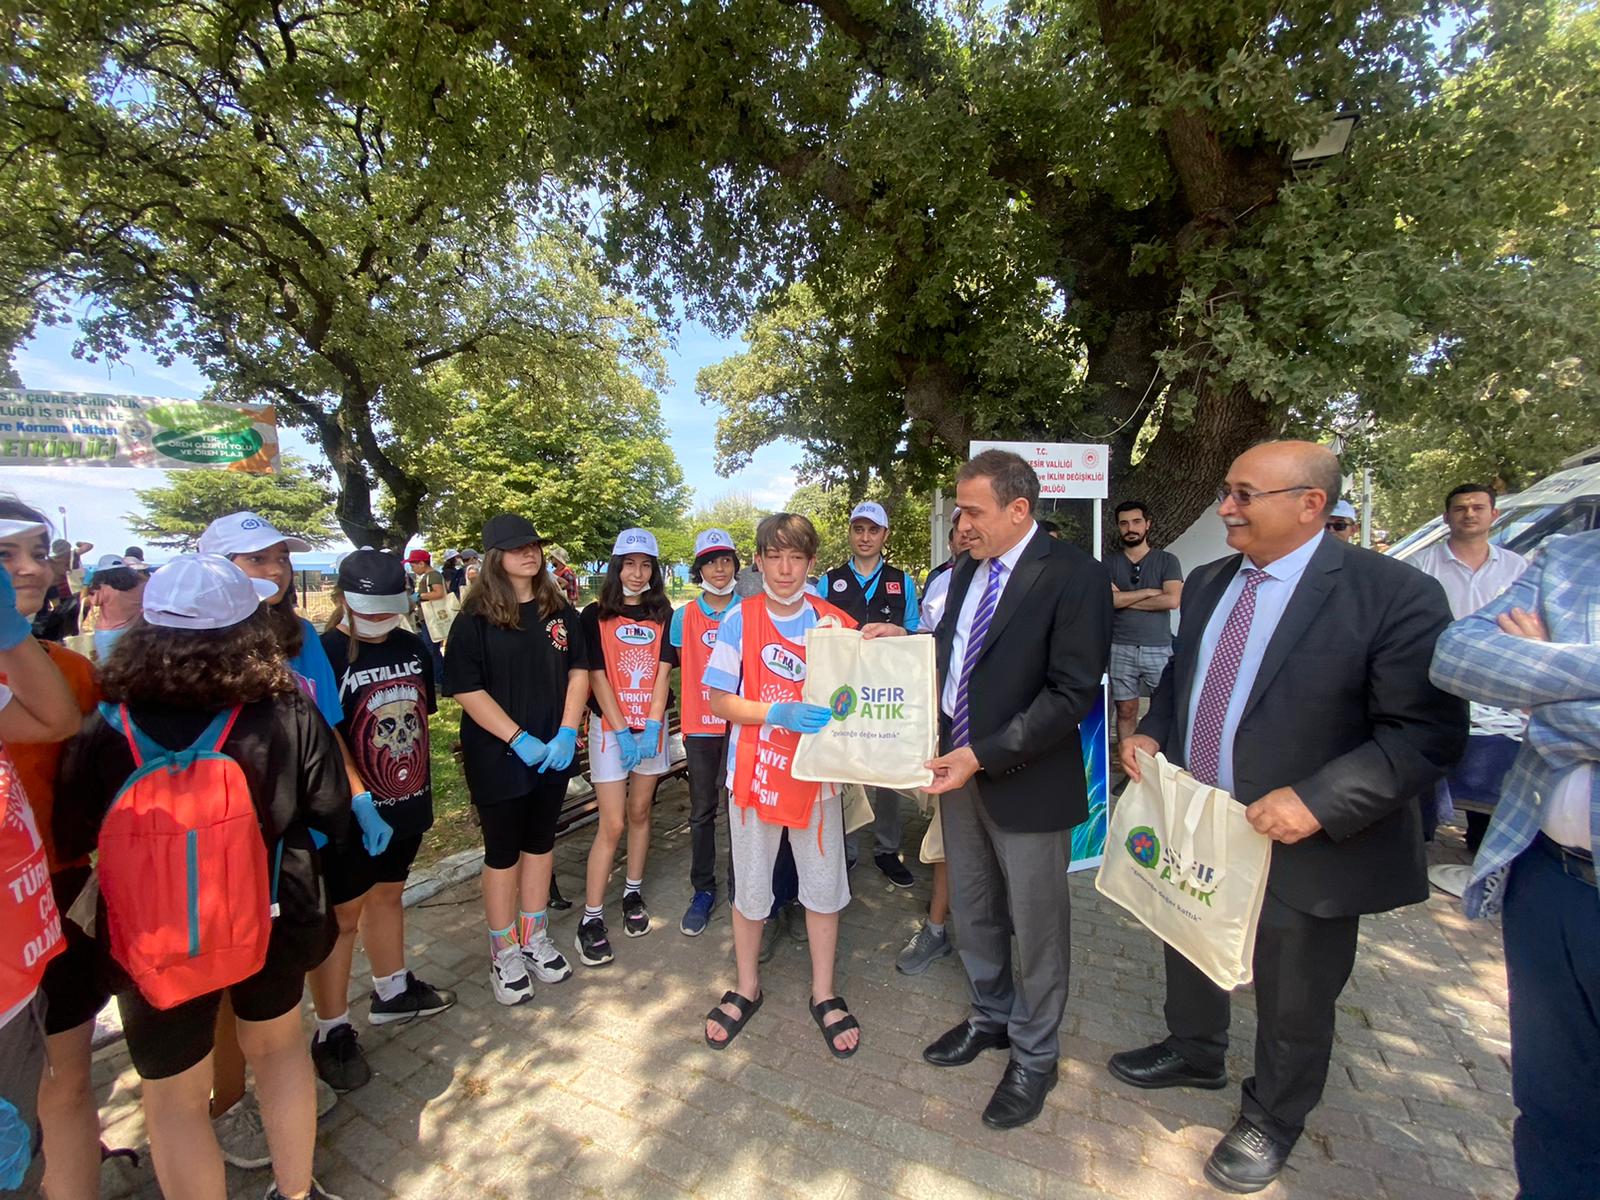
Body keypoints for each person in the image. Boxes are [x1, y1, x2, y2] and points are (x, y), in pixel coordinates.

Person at [1109, 440, 1467, 1193]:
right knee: (1188, 928)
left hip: (1305, 841)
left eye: (1244, 495)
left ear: (1311, 504)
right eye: (1226, 492)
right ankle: (1195, 1047)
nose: (1226, 508)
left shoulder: (1392, 594)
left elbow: (1424, 733)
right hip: (1201, 821)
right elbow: (1185, 677)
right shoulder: (1208, 582)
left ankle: (1273, 1113)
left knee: (1295, 985)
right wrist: (1152, 731)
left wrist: (1319, 801)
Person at [56, 554, 352, 1200]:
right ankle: (297, 1191)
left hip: (148, 935)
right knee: (278, 1052)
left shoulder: (107, 719)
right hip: (270, 913)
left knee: (174, 1100)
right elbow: (331, 809)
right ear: (248, 625)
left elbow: (72, 833)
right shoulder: (283, 708)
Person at [899, 449, 1110, 1131]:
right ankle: (990, 1014)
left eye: (973, 510)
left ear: (1020, 509)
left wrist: (981, 756)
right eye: (959, 509)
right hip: (956, 776)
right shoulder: (966, 570)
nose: (961, 523)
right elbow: (949, 656)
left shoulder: (1076, 576)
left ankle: (1036, 1053)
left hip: (1023, 780)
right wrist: (892, 647)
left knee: (1039, 923)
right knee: (976, 903)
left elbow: (1071, 694)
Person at [1429, 529, 1600, 1199]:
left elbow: (1512, 681)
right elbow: (1460, 657)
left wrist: (1542, 675)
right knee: (1555, 1109)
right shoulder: (1572, 557)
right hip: (1547, 882)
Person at [701, 513, 863, 1058]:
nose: (786, 568)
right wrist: (777, 712)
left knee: (821, 886)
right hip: (752, 778)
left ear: (812, 562)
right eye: (775, 556)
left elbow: (864, 695)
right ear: (759, 561)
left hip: (816, 780)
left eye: (797, 557)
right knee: (750, 887)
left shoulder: (834, 621)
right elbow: (719, 700)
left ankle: (824, 992)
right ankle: (747, 986)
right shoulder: (738, 620)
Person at [307, 551, 455, 1091]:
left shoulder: (412, 646)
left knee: (389, 894)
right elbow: (322, 736)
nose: (377, 621)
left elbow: (418, 718)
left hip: (406, 797)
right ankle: (331, 1027)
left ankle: (391, 990)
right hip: (352, 811)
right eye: (367, 611)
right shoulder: (322, 654)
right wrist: (358, 796)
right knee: (343, 918)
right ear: (343, 597)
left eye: (386, 611)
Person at [443, 515, 588, 1005]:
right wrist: (517, 736)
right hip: (499, 753)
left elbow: (579, 671)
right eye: (516, 547)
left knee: (541, 844)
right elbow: (465, 688)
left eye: (534, 544)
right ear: (494, 557)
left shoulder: (558, 610)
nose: (529, 553)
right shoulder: (474, 619)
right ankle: (503, 951)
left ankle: (534, 938)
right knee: (503, 852)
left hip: (553, 750)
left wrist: (568, 729)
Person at [0, 506, 101, 1200]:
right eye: (7, 555)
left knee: (62, 1082)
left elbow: (60, 722)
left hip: (51, 895)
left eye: (39, 550)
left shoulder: (65, 670)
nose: (32, 568)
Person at [1410, 484, 1531, 888]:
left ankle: (1482, 836)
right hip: (1438, 675)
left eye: (1478, 507)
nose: (1469, 514)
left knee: (1496, 759)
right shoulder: (1423, 565)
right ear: (1447, 517)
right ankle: (1421, 833)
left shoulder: (1518, 568)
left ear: (1494, 515)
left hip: (1499, 681)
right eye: (1459, 508)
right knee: (1433, 751)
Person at [575, 529, 676, 965]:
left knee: (640, 813)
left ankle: (632, 893)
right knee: (612, 823)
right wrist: (619, 730)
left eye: (646, 565)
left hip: (649, 730)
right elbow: (595, 674)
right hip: (610, 731)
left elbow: (663, 671)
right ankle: (590, 918)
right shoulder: (593, 615)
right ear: (616, 567)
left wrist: (652, 724)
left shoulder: (664, 612)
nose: (638, 573)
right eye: (630, 564)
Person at [823, 501, 920, 884]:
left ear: (885, 535)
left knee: (887, 772)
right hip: (843, 690)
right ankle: (845, 850)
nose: (865, 537)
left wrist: (900, 633)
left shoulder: (903, 581)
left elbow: (915, 634)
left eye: (873, 530)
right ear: (850, 533)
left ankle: (886, 849)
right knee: (845, 770)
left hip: (886, 691)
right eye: (858, 529)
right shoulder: (830, 581)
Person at [895, 513, 972, 976]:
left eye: (976, 516)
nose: (966, 529)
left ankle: (994, 924)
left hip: (1009, 743)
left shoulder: (1034, 579)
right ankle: (936, 929)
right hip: (951, 729)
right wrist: (902, 636)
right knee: (948, 835)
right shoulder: (945, 583)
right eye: (959, 521)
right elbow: (929, 645)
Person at [198, 512, 345, 734]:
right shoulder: (190, 642)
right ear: (217, 567)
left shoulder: (302, 633)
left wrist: (346, 767)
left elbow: (326, 723)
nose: (277, 570)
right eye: (257, 559)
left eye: (283, 558)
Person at [671, 529, 741, 936]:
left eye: (726, 560)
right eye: (711, 561)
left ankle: (740, 887)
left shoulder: (749, 610)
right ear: (699, 569)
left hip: (740, 725)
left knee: (740, 811)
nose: (720, 568)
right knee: (702, 812)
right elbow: (677, 668)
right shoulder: (684, 617)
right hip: (700, 728)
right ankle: (703, 890)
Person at [1108, 500, 1183, 751]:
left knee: (1164, 708)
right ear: (1118, 527)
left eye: (1137, 521)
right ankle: (1130, 768)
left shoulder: (1167, 560)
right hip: (1120, 646)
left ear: (1147, 524)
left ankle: (1161, 769)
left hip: (1158, 646)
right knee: (1125, 709)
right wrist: (1150, 592)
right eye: (1124, 523)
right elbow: (1107, 601)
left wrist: (1124, 600)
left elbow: (1172, 599)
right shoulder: (1108, 563)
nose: (1131, 528)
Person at [83, 553, 152, 659]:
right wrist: (135, 573)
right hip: (134, 630)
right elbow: (150, 582)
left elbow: (84, 601)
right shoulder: (141, 587)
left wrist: (85, 584)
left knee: (108, 666)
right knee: (133, 664)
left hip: (107, 633)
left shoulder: (103, 590)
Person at [404, 550, 447, 687]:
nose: (412, 568)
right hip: (427, 617)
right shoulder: (428, 576)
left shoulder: (432, 575)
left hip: (431, 617)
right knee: (431, 649)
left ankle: (439, 679)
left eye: (413, 565)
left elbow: (438, 593)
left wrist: (420, 596)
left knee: (432, 650)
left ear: (422, 563)